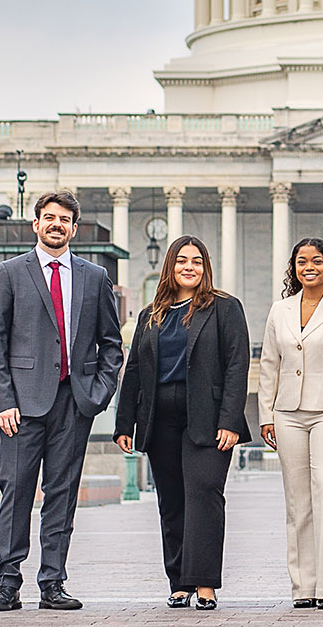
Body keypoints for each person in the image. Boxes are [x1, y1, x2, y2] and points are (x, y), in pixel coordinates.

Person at [0, 191, 126, 612]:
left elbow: (111, 345)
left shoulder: (94, 278)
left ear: (74, 228)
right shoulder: (9, 273)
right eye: (48, 218)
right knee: (15, 492)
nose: (56, 224)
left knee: (61, 494)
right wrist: (3, 401)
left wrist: (96, 395)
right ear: (36, 224)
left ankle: (52, 583)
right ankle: (7, 583)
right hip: (21, 407)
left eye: (64, 219)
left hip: (73, 404)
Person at [116, 236, 251, 611]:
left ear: (205, 267)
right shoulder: (151, 314)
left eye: (196, 261)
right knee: (171, 502)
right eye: (181, 261)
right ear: (170, 268)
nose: (188, 267)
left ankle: (205, 583)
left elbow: (237, 365)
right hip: (160, 418)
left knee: (205, 494)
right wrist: (125, 423)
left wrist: (230, 420)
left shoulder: (224, 308)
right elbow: (135, 373)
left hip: (207, 418)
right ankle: (178, 581)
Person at [257, 238, 323, 610]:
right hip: (287, 413)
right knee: (297, 502)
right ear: (294, 267)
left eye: (316, 261)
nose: (309, 267)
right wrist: (266, 415)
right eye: (302, 261)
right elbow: (269, 364)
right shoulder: (280, 310)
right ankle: (303, 587)